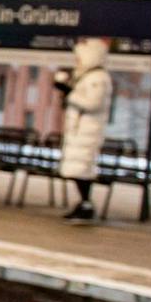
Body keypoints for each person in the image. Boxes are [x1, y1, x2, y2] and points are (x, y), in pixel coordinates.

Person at [56, 36, 113, 223]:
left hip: (87, 131)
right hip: (78, 130)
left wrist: (70, 94)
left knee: (83, 168)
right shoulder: (86, 76)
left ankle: (86, 204)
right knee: (77, 168)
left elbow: (92, 103)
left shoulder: (98, 78)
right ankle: (83, 203)